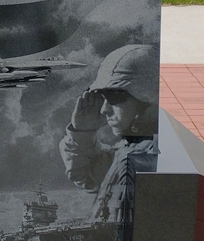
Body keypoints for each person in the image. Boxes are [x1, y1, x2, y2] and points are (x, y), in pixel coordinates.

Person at [59, 45, 159, 224]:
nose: (104, 109)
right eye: (102, 98)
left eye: (114, 97)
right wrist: (83, 132)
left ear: (147, 97)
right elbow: (88, 175)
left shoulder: (160, 155)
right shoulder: (133, 152)